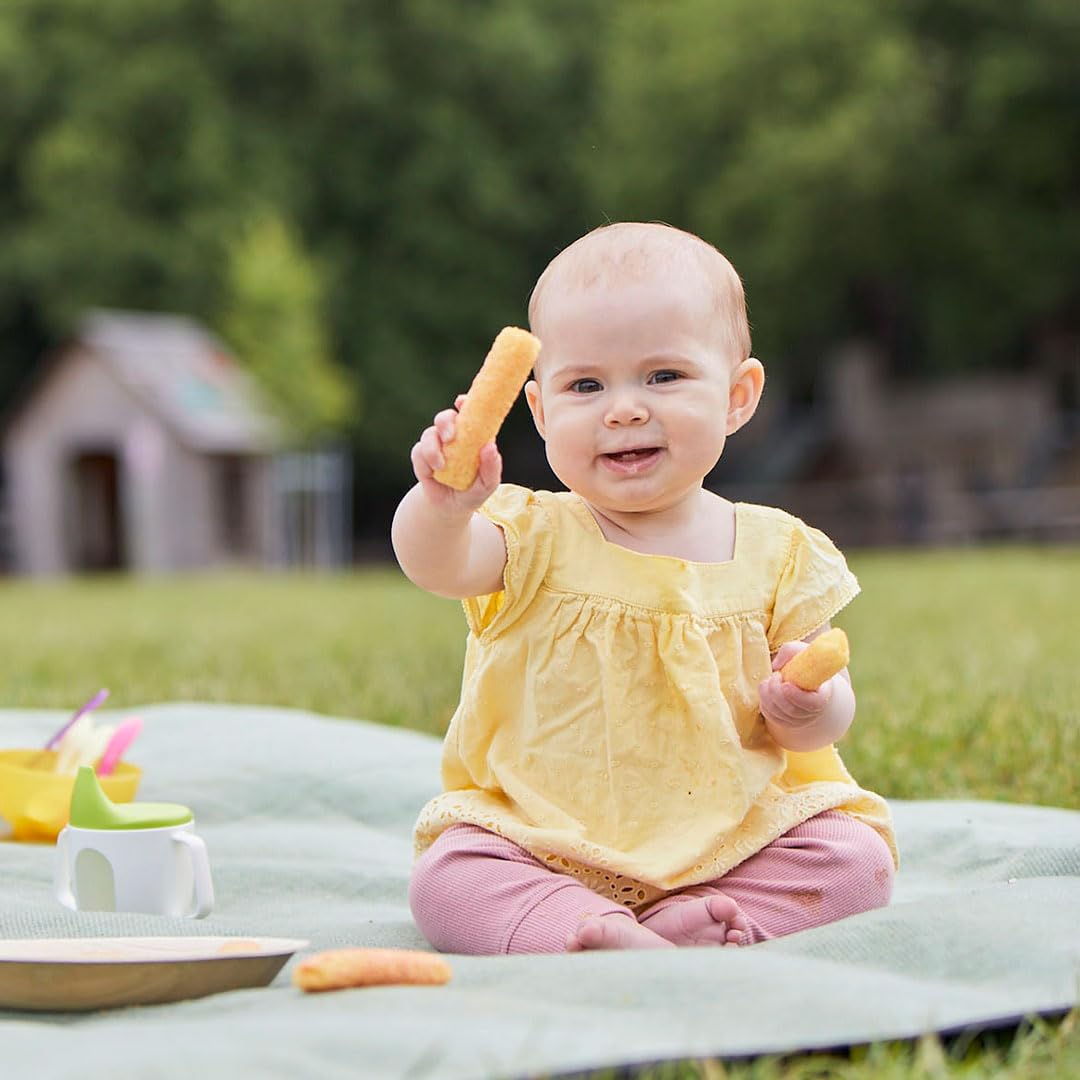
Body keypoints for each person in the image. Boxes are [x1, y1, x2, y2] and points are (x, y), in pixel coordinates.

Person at [392, 222, 896, 954]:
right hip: (544, 840)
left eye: (662, 376)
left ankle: (703, 919)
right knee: (448, 876)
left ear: (737, 396)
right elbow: (434, 564)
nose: (623, 408)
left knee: (855, 859)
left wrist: (808, 704)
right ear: (539, 411)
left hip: (735, 841)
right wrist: (443, 506)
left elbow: (822, 720)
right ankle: (583, 927)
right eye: (586, 385)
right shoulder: (531, 534)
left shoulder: (777, 551)